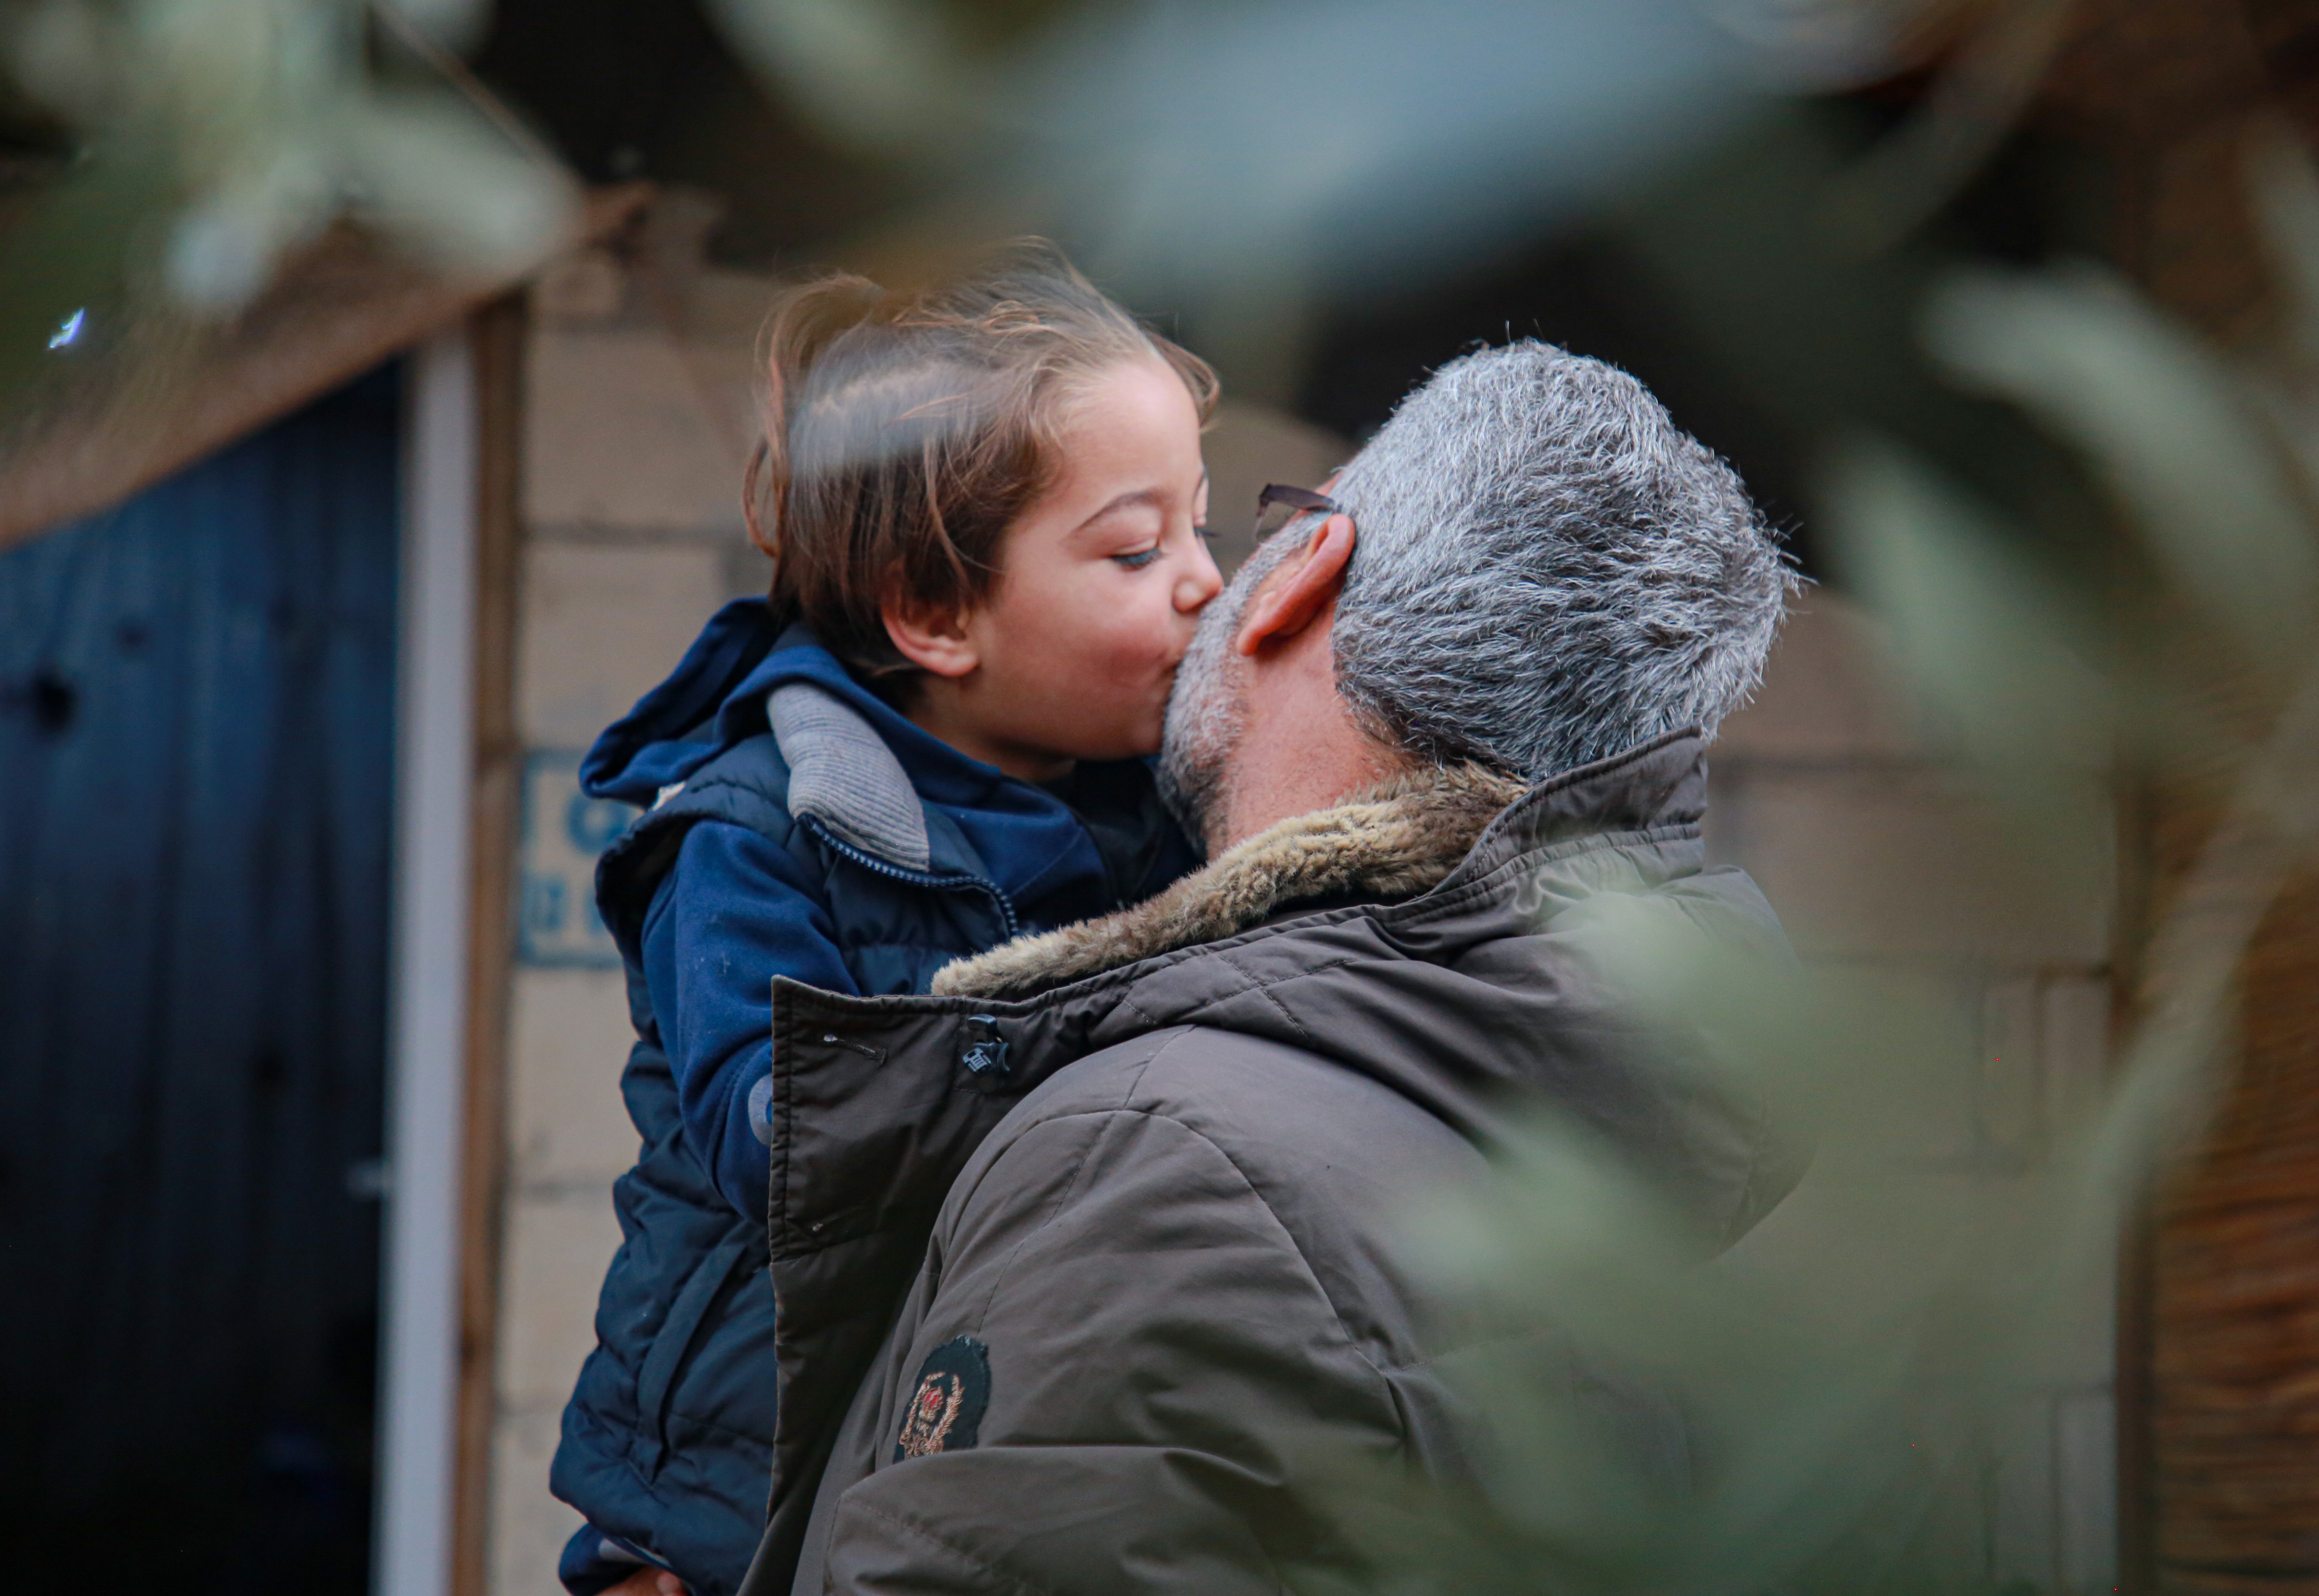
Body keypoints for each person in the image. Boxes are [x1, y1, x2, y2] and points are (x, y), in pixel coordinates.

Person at [738, 340, 1807, 1595]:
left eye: (1239, 529)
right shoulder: (1608, 1140)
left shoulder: (1160, 1169)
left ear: (1307, 572)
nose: (1198, 586)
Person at [554, 245, 1225, 1596]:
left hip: (950, 1469)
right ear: (933, 613)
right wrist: (1078, 1028)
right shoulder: (747, 840)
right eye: (1139, 549)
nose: (1204, 582)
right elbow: (782, 1144)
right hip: (716, 1517)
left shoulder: (1168, 816)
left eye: (1204, 525)